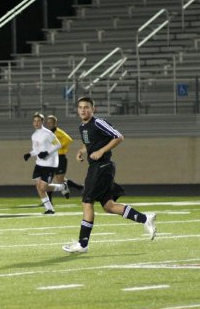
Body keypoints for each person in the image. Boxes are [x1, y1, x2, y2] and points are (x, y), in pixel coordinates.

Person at [63, 97, 156, 254]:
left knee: (87, 202)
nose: (83, 110)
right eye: (80, 107)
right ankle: (145, 218)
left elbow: (119, 137)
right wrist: (81, 151)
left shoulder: (98, 122)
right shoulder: (82, 127)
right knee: (109, 206)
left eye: (86, 107)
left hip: (102, 167)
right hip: (98, 168)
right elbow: (88, 143)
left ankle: (82, 244)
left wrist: (101, 151)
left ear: (93, 109)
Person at [22, 112, 62, 215]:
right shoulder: (34, 135)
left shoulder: (48, 133)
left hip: (50, 164)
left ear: (42, 122)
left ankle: (62, 187)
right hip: (39, 164)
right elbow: (36, 150)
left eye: (38, 121)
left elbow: (58, 144)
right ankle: (49, 209)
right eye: (34, 121)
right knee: (38, 187)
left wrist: (47, 152)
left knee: (43, 187)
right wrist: (29, 154)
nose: (36, 123)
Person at [45, 114, 83, 199]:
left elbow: (68, 139)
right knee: (48, 180)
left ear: (55, 124)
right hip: (51, 159)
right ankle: (48, 201)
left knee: (60, 180)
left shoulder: (58, 132)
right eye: (48, 123)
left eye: (51, 123)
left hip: (60, 157)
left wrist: (59, 146)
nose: (49, 124)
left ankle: (78, 187)